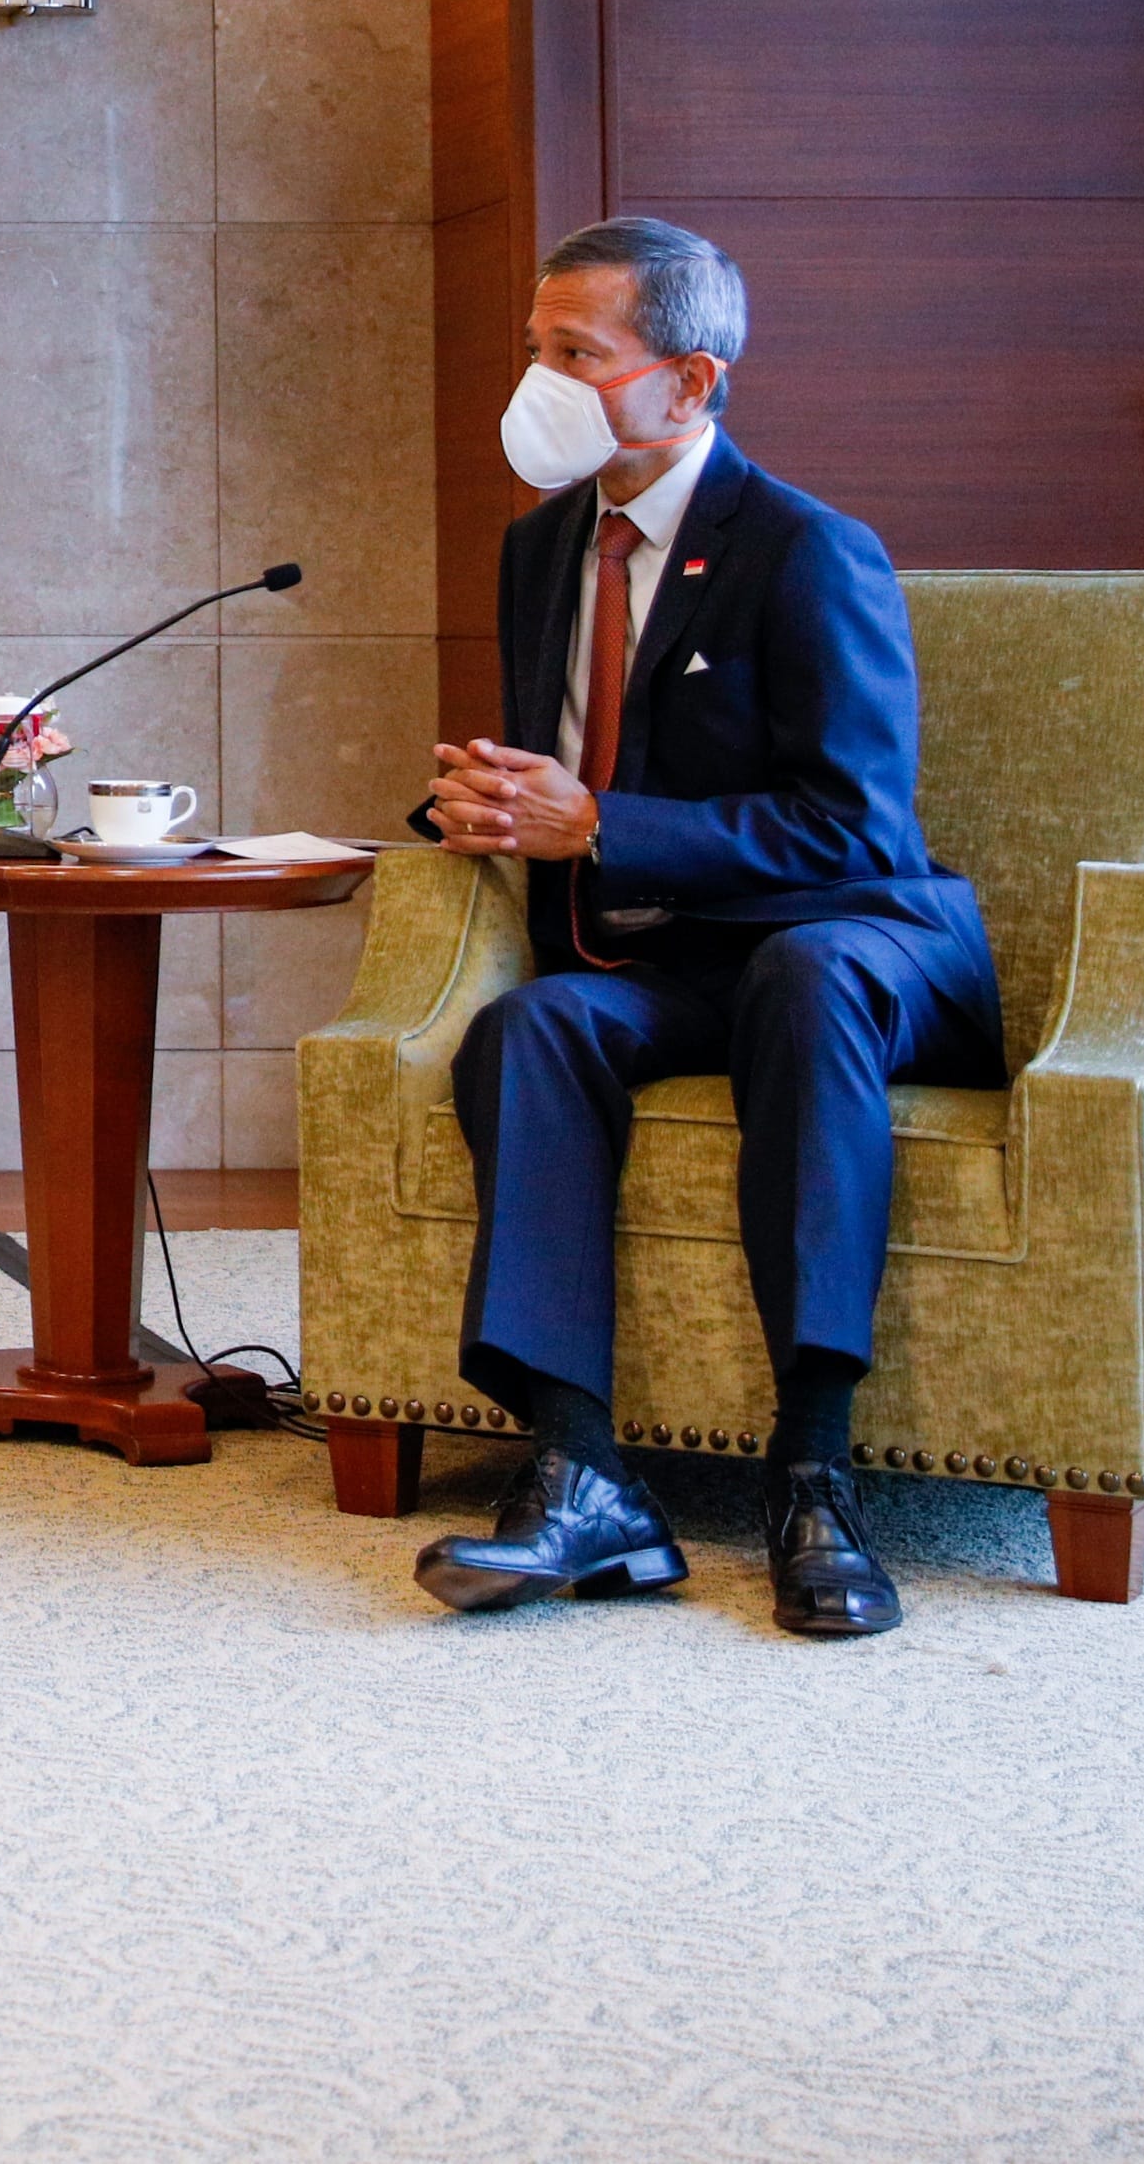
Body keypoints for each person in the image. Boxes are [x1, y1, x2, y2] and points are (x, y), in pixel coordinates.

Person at [407, 216, 1000, 1639]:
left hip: (854, 936)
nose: (539, 382)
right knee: (533, 1023)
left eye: (575, 355)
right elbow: (568, 757)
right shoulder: (539, 546)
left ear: (689, 379)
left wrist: (600, 822)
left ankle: (814, 1470)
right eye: (534, 350)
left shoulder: (805, 549)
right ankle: (580, 1469)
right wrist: (481, 803)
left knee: (796, 978)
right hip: (668, 950)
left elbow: (858, 822)